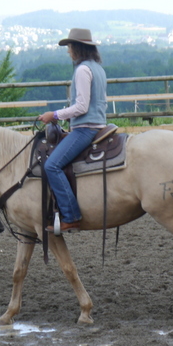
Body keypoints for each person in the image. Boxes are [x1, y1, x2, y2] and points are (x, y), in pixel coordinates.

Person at [39, 28, 107, 234]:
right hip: (97, 124)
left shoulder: (82, 70)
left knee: (51, 166)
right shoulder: (97, 68)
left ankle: (70, 217)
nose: (68, 51)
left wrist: (54, 115)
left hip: (86, 128)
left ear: (77, 47)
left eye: (69, 47)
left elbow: (82, 107)